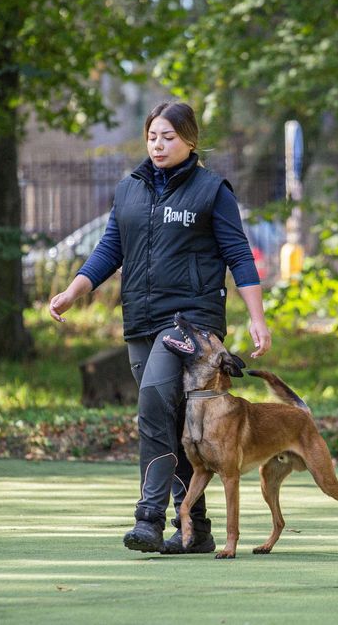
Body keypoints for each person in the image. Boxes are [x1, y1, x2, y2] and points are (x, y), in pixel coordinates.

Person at [48, 101, 271, 554]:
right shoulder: (129, 189)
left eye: (168, 137)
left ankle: (148, 518)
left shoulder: (211, 191)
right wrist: (73, 292)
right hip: (141, 321)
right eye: (152, 137)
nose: (158, 145)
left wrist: (257, 317)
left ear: (190, 140)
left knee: (151, 405)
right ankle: (196, 529)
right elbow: (110, 249)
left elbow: (239, 255)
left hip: (190, 322)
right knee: (171, 421)